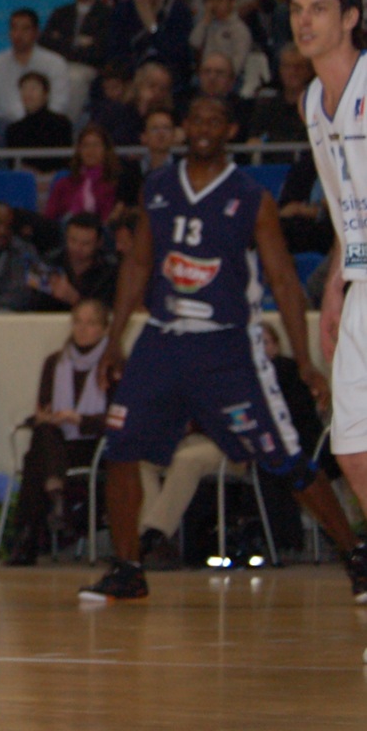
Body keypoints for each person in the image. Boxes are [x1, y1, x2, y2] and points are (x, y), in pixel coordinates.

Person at [79, 95, 365, 602]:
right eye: (198, 119)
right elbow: (140, 265)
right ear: (185, 125)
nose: (205, 128)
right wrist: (115, 340)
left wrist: (303, 362)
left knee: (285, 456)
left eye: (216, 120)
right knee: (120, 448)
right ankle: (128, 567)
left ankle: (354, 557)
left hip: (227, 347)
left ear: (230, 128)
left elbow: (282, 280)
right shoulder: (159, 187)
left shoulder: (252, 197)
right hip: (162, 340)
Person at [290, 0, 367, 595]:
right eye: (296, 9)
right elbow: (345, 206)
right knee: (351, 448)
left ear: (350, 18)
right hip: (362, 281)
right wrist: (336, 286)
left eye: (318, 8)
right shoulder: (313, 100)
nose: (304, 20)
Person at [5, 299, 112, 566]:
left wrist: (79, 418)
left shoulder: (112, 364)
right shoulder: (55, 362)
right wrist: (44, 417)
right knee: (44, 434)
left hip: (93, 445)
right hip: (59, 442)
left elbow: (118, 417)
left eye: (91, 323)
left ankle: (26, 538)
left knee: (37, 457)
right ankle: (55, 494)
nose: (83, 329)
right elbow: (44, 408)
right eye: (78, 322)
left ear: (104, 328)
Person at [40, 0, 110, 116]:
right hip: (58, 65)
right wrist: (76, 43)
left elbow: (98, 52)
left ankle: (64, 128)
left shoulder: (107, 14)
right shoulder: (61, 13)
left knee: (74, 78)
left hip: (87, 69)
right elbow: (45, 43)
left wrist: (63, 42)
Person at [0, 8, 70, 122]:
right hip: (4, 127)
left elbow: (59, 102)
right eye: (14, 28)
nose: (18, 34)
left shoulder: (54, 63)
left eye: (25, 29)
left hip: (44, 126)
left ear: (36, 33)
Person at [29, 213, 120, 314]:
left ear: (99, 243)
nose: (78, 248)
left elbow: (109, 310)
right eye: (73, 240)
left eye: (86, 243)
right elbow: (32, 306)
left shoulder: (111, 270)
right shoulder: (46, 262)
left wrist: (75, 299)